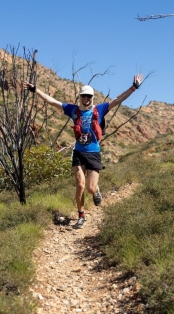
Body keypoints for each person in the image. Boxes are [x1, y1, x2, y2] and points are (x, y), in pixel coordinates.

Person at [23, 74, 143, 228]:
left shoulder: (100, 109)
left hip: (93, 153)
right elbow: (52, 101)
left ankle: (96, 190)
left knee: (91, 188)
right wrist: (36, 90)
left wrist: (134, 87)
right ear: (79, 97)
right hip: (79, 152)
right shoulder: (72, 110)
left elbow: (118, 99)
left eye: (89, 96)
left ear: (92, 97)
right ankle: (81, 215)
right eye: (83, 96)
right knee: (80, 184)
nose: (86, 98)